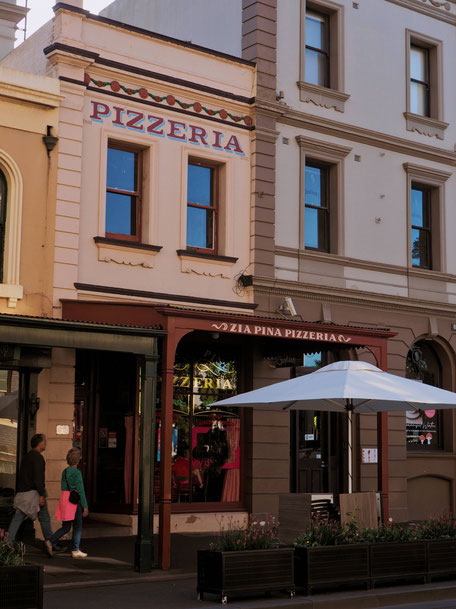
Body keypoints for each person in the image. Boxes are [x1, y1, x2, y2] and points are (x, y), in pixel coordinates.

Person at [7, 433, 59, 556]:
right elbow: (38, 478)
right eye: (45, 441)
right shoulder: (38, 458)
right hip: (34, 493)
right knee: (44, 518)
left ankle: (7, 543)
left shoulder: (26, 457)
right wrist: (41, 495)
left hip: (23, 494)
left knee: (17, 518)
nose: (46, 443)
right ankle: (50, 542)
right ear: (39, 443)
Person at [49, 447, 89, 558]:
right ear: (78, 460)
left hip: (65, 499)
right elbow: (80, 490)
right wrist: (85, 506)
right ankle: (75, 549)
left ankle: (50, 541)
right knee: (78, 525)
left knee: (66, 526)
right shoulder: (77, 473)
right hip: (74, 501)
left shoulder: (65, 471)